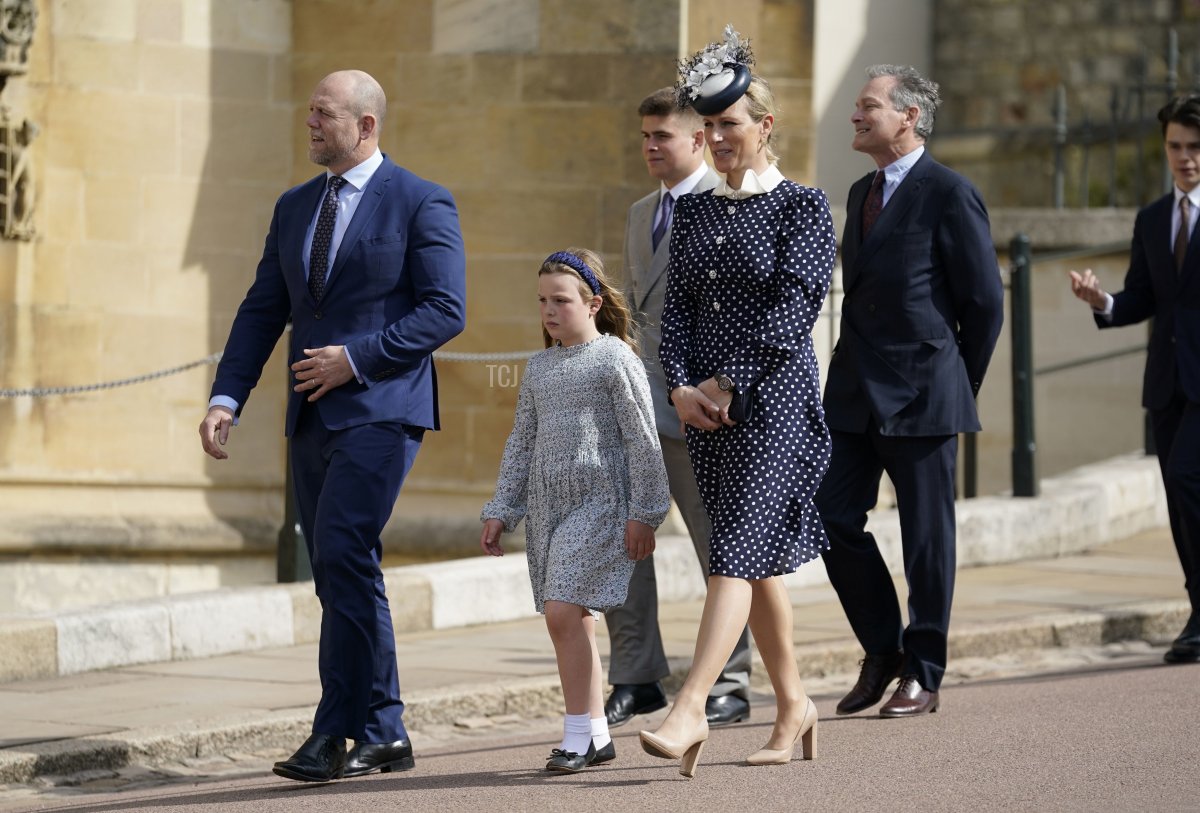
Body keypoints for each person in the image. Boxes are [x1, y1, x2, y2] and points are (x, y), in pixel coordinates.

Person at [199, 69, 466, 782]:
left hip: (383, 406)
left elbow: (445, 309)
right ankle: (374, 729)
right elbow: (262, 309)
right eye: (309, 113)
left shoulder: (420, 199)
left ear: (367, 124)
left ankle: (344, 728)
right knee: (337, 569)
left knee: (345, 548)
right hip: (309, 414)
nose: (309, 124)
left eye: (323, 114)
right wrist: (228, 397)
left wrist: (357, 359)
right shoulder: (293, 207)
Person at [638, 26, 836, 778]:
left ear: (764, 127)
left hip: (777, 407)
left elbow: (794, 312)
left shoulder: (803, 208)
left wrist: (724, 384)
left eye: (730, 125)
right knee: (755, 565)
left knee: (733, 554)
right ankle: (795, 704)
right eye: (709, 126)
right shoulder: (693, 212)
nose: (717, 138)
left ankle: (691, 706)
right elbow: (678, 313)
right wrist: (683, 387)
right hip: (707, 410)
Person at [815, 64, 1004, 719]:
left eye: (868, 105)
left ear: (909, 115)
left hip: (923, 393)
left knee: (927, 536)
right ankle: (883, 648)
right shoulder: (861, 188)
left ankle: (924, 670)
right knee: (830, 516)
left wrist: (955, 382)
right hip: (853, 394)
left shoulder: (950, 192)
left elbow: (984, 305)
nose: (856, 116)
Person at [480, 248, 671, 773]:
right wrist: (502, 508)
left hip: (603, 503)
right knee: (571, 620)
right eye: (542, 300)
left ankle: (575, 739)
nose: (548, 310)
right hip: (549, 508)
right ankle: (597, 735)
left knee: (564, 611)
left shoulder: (615, 358)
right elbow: (521, 441)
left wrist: (646, 512)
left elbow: (642, 439)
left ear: (592, 303)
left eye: (560, 300)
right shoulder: (539, 367)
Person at [603, 86, 753, 731]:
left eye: (662, 136)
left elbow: (745, 320)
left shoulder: (729, 208)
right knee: (621, 541)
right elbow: (637, 315)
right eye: (644, 137)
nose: (649, 148)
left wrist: (712, 392)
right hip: (635, 410)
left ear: (698, 140)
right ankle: (636, 677)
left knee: (719, 546)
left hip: (700, 412)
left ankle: (731, 679)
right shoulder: (642, 212)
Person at [1067, 95, 1200, 665]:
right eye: (1175, 146)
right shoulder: (1151, 219)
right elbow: (1142, 298)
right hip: (1167, 381)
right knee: (1178, 494)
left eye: (1195, 148)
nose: (1186, 158)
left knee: (1190, 479)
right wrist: (1103, 301)